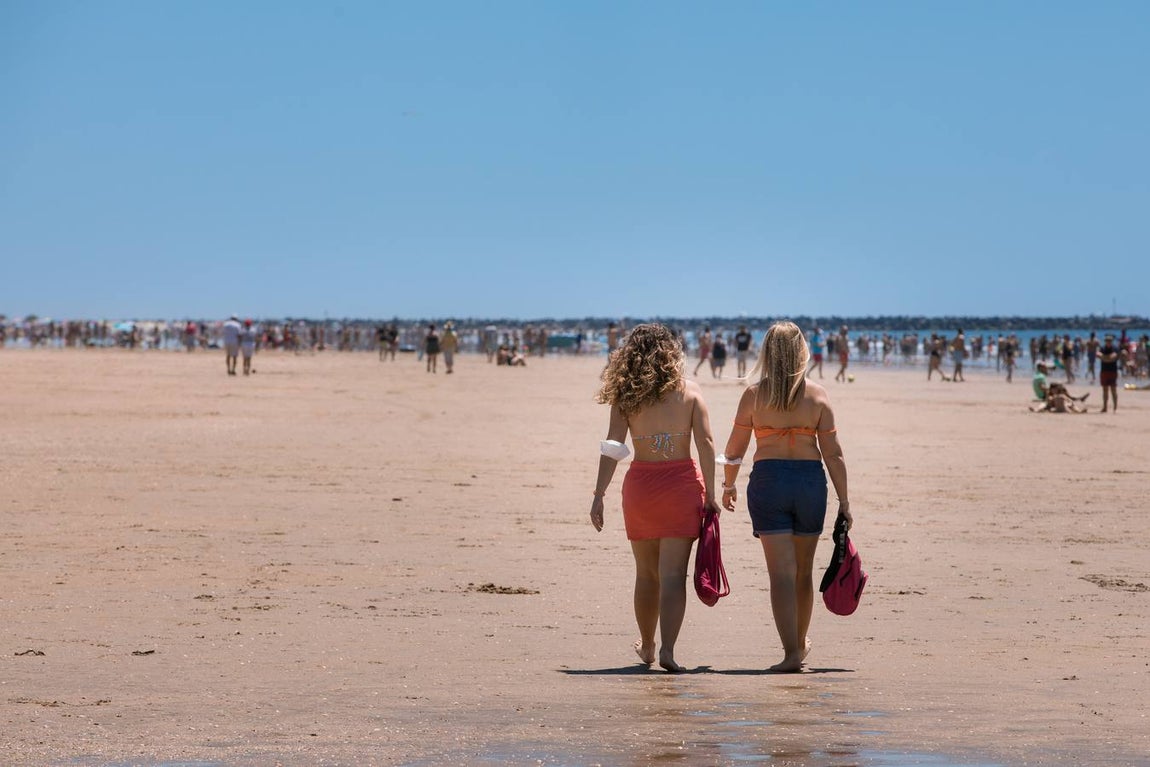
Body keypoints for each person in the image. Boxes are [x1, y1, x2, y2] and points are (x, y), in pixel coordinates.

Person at [718, 322, 850, 673]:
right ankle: (799, 645)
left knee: (780, 574)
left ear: (767, 354)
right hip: (809, 483)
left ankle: (791, 650)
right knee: (803, 572)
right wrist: (845, 501)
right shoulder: (817, 396)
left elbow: (734, 450)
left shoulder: (754, 396)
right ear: (802, 352)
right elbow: (834, 454)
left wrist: (728, 485)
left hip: (769, 482)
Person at [589, 323, 721, 673]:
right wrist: (711, 492)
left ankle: (647, 646)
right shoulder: (690, 392)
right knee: (673, 575)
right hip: (681, 487)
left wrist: (599, 494)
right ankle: (668, 650)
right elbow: (706, 444)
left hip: (642, 489)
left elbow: (613, 446)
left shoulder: (626, 395)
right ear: (671, 352)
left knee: (647, 575)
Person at [1098, 334, 1120, 413]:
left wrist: (1104, 358)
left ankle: (1115, 407)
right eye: (1107, 340)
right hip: (1104, 371)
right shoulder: (1102, 348)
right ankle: (1105, 407)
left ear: (1112, 341)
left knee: (1113, 390)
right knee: (1105, 390)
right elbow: (1098, 354)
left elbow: (1113, 357)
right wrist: (1107, 358)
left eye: (1109, 341)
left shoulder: (1115, 348)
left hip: (1112, 371)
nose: (1108, 342)